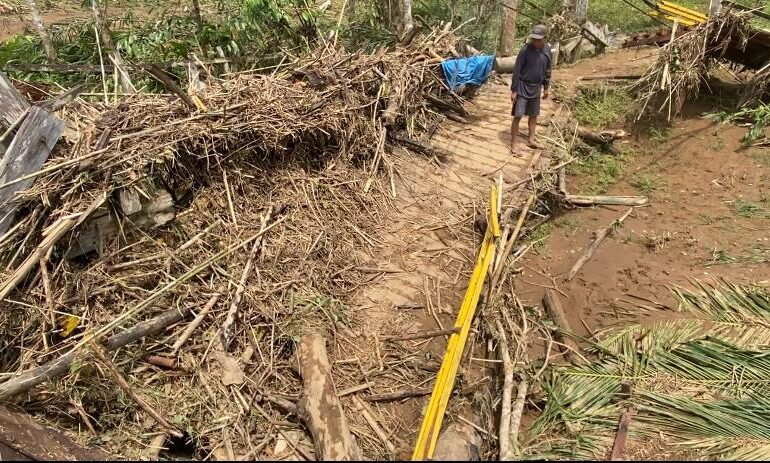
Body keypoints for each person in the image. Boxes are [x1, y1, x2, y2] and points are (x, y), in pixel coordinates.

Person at [510, 24, 552, 154]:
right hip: (523, 86)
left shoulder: (547, 51)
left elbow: (548, 70)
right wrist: (514, 90)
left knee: (534, 115)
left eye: (539, 39)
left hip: (536, 87)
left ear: (544, 38)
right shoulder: (525, 50)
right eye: (534, 39)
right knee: (518, 115)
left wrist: (546, 87)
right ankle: (513, 143)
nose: (536, 42)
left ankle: (531, 139)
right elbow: (517, 70)